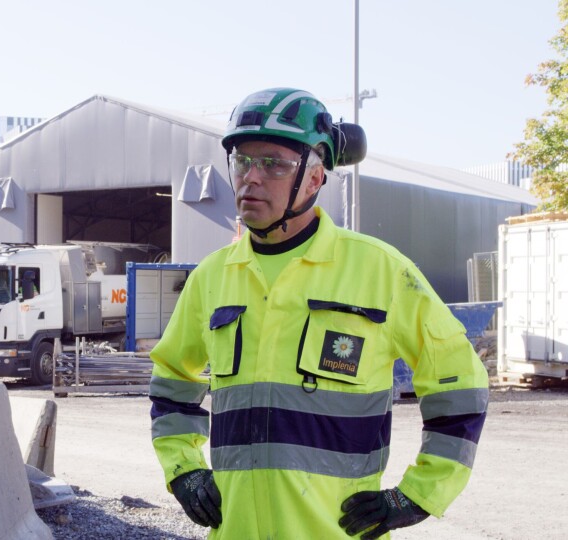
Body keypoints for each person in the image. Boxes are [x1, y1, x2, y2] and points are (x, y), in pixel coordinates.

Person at [149, 88, 488, 539]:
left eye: (273, 163)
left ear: (315, 177)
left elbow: (460, 385)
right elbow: (172, 379)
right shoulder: (212, 277)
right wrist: (184, 469)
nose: (251, 178)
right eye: (242, 161)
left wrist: (418, 495)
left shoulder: (382, 272)